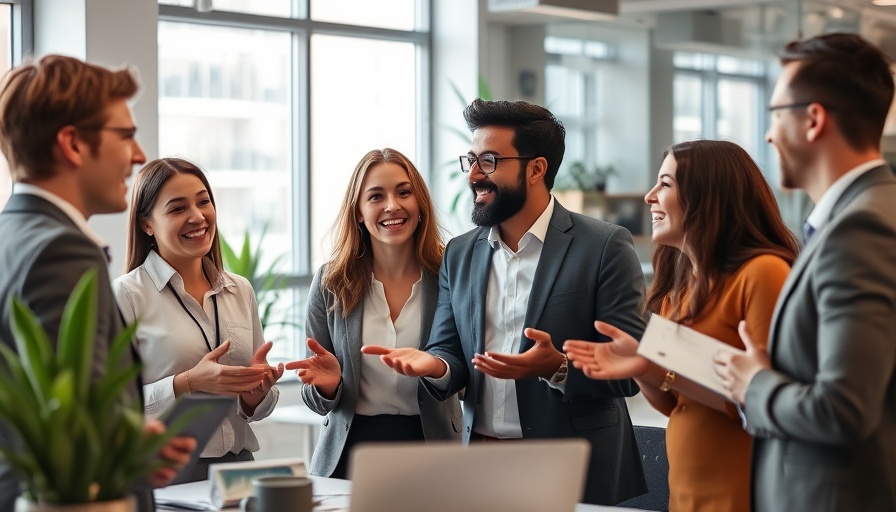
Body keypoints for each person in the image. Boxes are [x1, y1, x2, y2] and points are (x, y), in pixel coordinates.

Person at [362, 100, 648, 505]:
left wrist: (559, 367)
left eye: (490, 161)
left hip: (574, 465)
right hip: (481, 462)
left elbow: (633, 369)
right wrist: (436, 365)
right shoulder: (460, 254)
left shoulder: (603, 246)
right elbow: (449, 351)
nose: (474, 174)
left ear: (536, 169)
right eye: (472, 160)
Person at [0, 55, 194, 512]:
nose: (139, 155)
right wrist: (128, 450)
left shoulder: (12, 234)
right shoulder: (61, 250)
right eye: (125, 135)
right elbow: (70, 435)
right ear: (72, 144)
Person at [712, 33, 896, 511]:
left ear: (813, 119)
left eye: (775, 114)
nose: (769, 134)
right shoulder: (870, 213)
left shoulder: (861, 229)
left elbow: (843, 410)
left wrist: (755, 385)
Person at [564, 140, 799, 511]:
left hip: (743, 491)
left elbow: (765, 400)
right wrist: (641, 368)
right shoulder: (677, 291)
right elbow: (675, 405)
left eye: (666, 184)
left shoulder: (762, 272)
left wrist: (654, 367)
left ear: (708, 195)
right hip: (687, 492)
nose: (649, 196)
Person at [285, 148, 461, 479]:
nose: (392, 205)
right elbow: (315, 395)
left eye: (403, 192)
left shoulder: (451, 276)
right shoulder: (330, 282)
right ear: (359, 213)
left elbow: (465, 376)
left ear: (419, 203)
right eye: (376, 196)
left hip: (432, 447)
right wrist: (327, 386)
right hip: (351, 452)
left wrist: (438, 369)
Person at [114, 157, 284, 482]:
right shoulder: (126, 295)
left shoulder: (240, 290)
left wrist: (255, 394)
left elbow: (255, 411)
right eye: (177, 209)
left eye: (203, 201)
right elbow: (114, 409)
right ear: (147, 224)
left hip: (238, 467)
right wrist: (188, 382)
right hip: (163, 473)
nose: (197, 216)